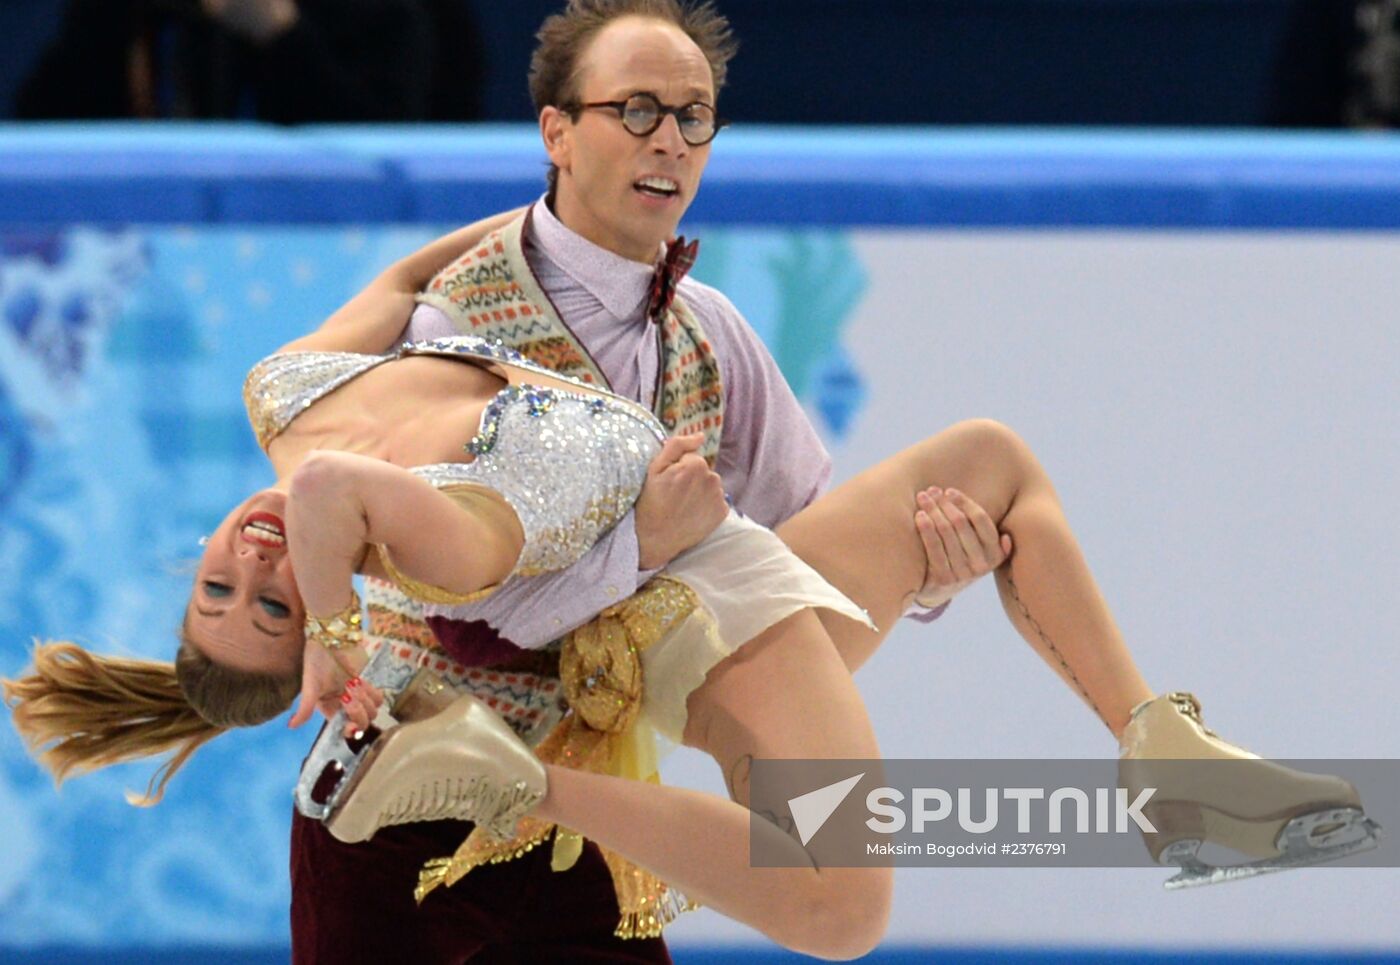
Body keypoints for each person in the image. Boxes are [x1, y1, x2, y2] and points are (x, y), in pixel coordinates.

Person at [4, 1, 1379, 961]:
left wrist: (944, 568)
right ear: (557, 126)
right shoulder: (463, 341)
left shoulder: (707, 332)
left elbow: (774, 553)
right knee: (842, 902)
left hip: (682, 634)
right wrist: (385, 627)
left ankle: (1161, 759)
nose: (670, 142)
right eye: (638, 112)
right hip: (543, 680)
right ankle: (524, 784)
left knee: (987, 467)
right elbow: (468, 561)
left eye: (696, 118)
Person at [11, 0, 481, 123]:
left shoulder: (387, 15)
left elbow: (396, 161)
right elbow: (48, 126)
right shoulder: (128, 15)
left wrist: (282, 38)